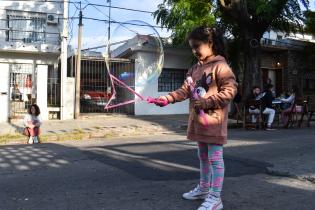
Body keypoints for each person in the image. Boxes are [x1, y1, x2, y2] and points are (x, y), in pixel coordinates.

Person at [154, 26, 237, 210]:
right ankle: (204, 189)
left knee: (215, 158)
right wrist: (167, 98)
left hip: (213, 122)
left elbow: (230, 91)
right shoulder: (194, 69)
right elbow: (185, 90)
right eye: (192, 47)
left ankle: (215, 198)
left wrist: (207, 103)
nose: (194, 51)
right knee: (202, 156)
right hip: (198, 122)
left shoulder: (220, 66)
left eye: (197, 46)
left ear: (210, 43)